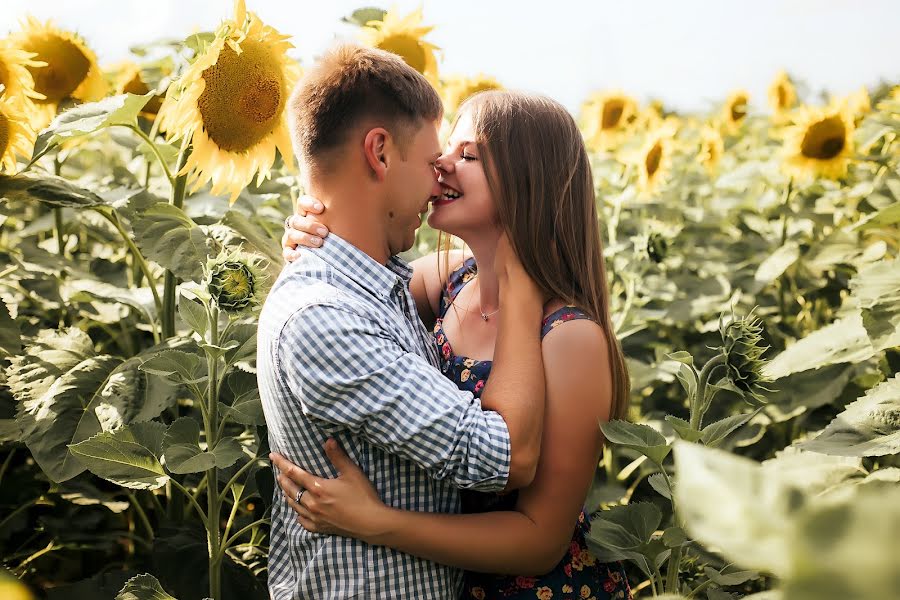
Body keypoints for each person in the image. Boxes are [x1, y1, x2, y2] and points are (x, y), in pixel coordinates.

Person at [274, 89, 633, 600]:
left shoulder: (570, 338)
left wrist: (376, 522)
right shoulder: (448, 281)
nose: (439, 164)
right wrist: (313, 234)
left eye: (467, 156)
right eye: (447, 150)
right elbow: (354, 290)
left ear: (527, 182)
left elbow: (539, 542)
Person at [257, 44, 551, 600]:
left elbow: (451, 270)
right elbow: (505, 456)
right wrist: (520, 282)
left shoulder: (379, 283)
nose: (438, 182)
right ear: (380, 152)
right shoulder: (326, 318)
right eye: (432, 161)